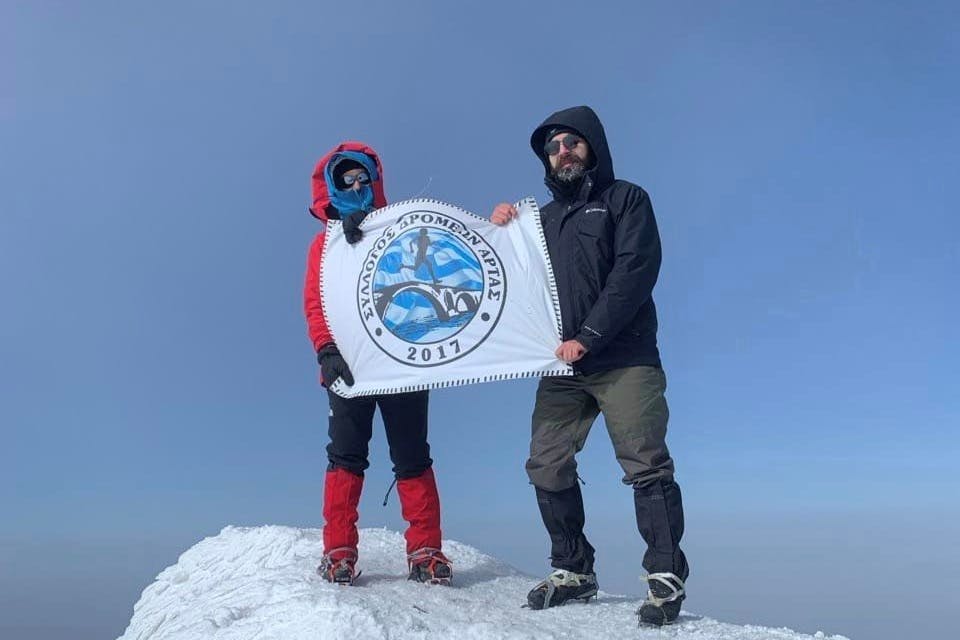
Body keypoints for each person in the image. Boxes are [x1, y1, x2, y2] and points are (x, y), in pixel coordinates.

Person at [490, 106, 689, 625]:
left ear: (593, 147)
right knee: (546, 462)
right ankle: (574, 570)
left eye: (572, 142)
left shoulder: (625, 200)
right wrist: (499, 233)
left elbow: (635, 270)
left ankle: (665, 577)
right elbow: (512, 279)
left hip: (624, 356)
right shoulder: (541, 221)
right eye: (553, 147)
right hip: (562, 367)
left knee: (645, 462)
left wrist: (590, 336)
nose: (563, 152)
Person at [303, 141, 452, 586]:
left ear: (375, 182)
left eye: (362, 178)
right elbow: (316, 302)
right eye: (346, 179)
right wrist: (326, 350)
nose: (356, 185)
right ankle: (339, 551)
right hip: (347, 366)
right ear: (331, 186)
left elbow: (428, 276)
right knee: (346, 456)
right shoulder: (323, 244)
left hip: (401, 362)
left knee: (412, 455)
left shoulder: (400, 229)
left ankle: (426, 551)